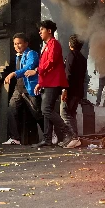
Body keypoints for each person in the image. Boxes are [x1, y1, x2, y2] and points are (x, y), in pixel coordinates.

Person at [30, 20, 72, 148]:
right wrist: (40, 83)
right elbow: (46, 66)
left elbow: (51, 62)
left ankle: (67, 131)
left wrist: (37, 70)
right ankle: (47, 139)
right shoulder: (48, 45)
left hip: (54, 82)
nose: (39, 32)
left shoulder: (54, 43)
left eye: (42, 29)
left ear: (49, 31)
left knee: (46, 109)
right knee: (47, 110)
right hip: (48, 82)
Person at [2, 33, 42, 145]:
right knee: (11, 109)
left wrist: (14, 74)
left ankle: (50, 134)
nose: (17, 46)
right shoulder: (17, 56)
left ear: (26, 43)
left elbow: (28, 67)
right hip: (18, 88)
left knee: (37, 113)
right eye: (15, 44)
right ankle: (15, 138)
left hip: (30, 87)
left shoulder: (32, 54)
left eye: (19, 43)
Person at [61, 34, 87, 149]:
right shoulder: (82, 58)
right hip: (78, 91)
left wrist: (64, 90)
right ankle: (73, 139)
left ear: (70, 44)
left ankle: (73, 138)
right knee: (71, 114)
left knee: (65, 113)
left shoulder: (71, 56)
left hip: (70, 90)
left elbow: (68, 74)